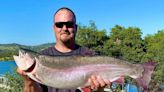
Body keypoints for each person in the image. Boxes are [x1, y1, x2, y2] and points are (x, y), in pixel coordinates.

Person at [17, 7, 111, 92]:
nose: (64, 28)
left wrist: (99, 90)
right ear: (54, 28)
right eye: (59, 24)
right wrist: (28, 81)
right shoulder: (43, 56)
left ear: (76, 28)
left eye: (69, 24)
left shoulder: (90, 55)